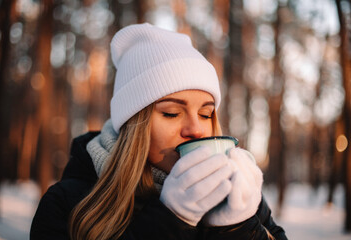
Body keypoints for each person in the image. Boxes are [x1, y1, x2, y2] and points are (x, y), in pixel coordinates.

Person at [30, 23, 287, 240]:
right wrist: (170, 221)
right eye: (172, 113)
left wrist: (239, 227)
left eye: (206, 114)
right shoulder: (68, 203)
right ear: (133, 124)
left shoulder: (236, 192)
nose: (196, 129)